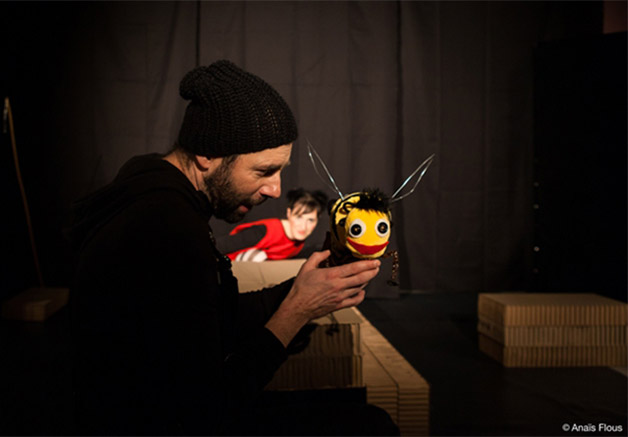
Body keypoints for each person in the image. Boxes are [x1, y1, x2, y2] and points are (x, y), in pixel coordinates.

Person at [68, 60, 398, 436]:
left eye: (280, 171)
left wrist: (303, 288)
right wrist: (296, 311)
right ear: (207, 154)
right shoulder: (166, 230)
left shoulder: (156, 190)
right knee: (371, 428)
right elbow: (206, 410)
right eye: (264, 171)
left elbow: (210, 313)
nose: (276, 189)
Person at [218, 188, 328, 261]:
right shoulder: (266, 231)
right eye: (299, 217)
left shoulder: (299, 243)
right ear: (289, 213)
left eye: (310, 220)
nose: (303, 226)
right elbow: (221, 246)